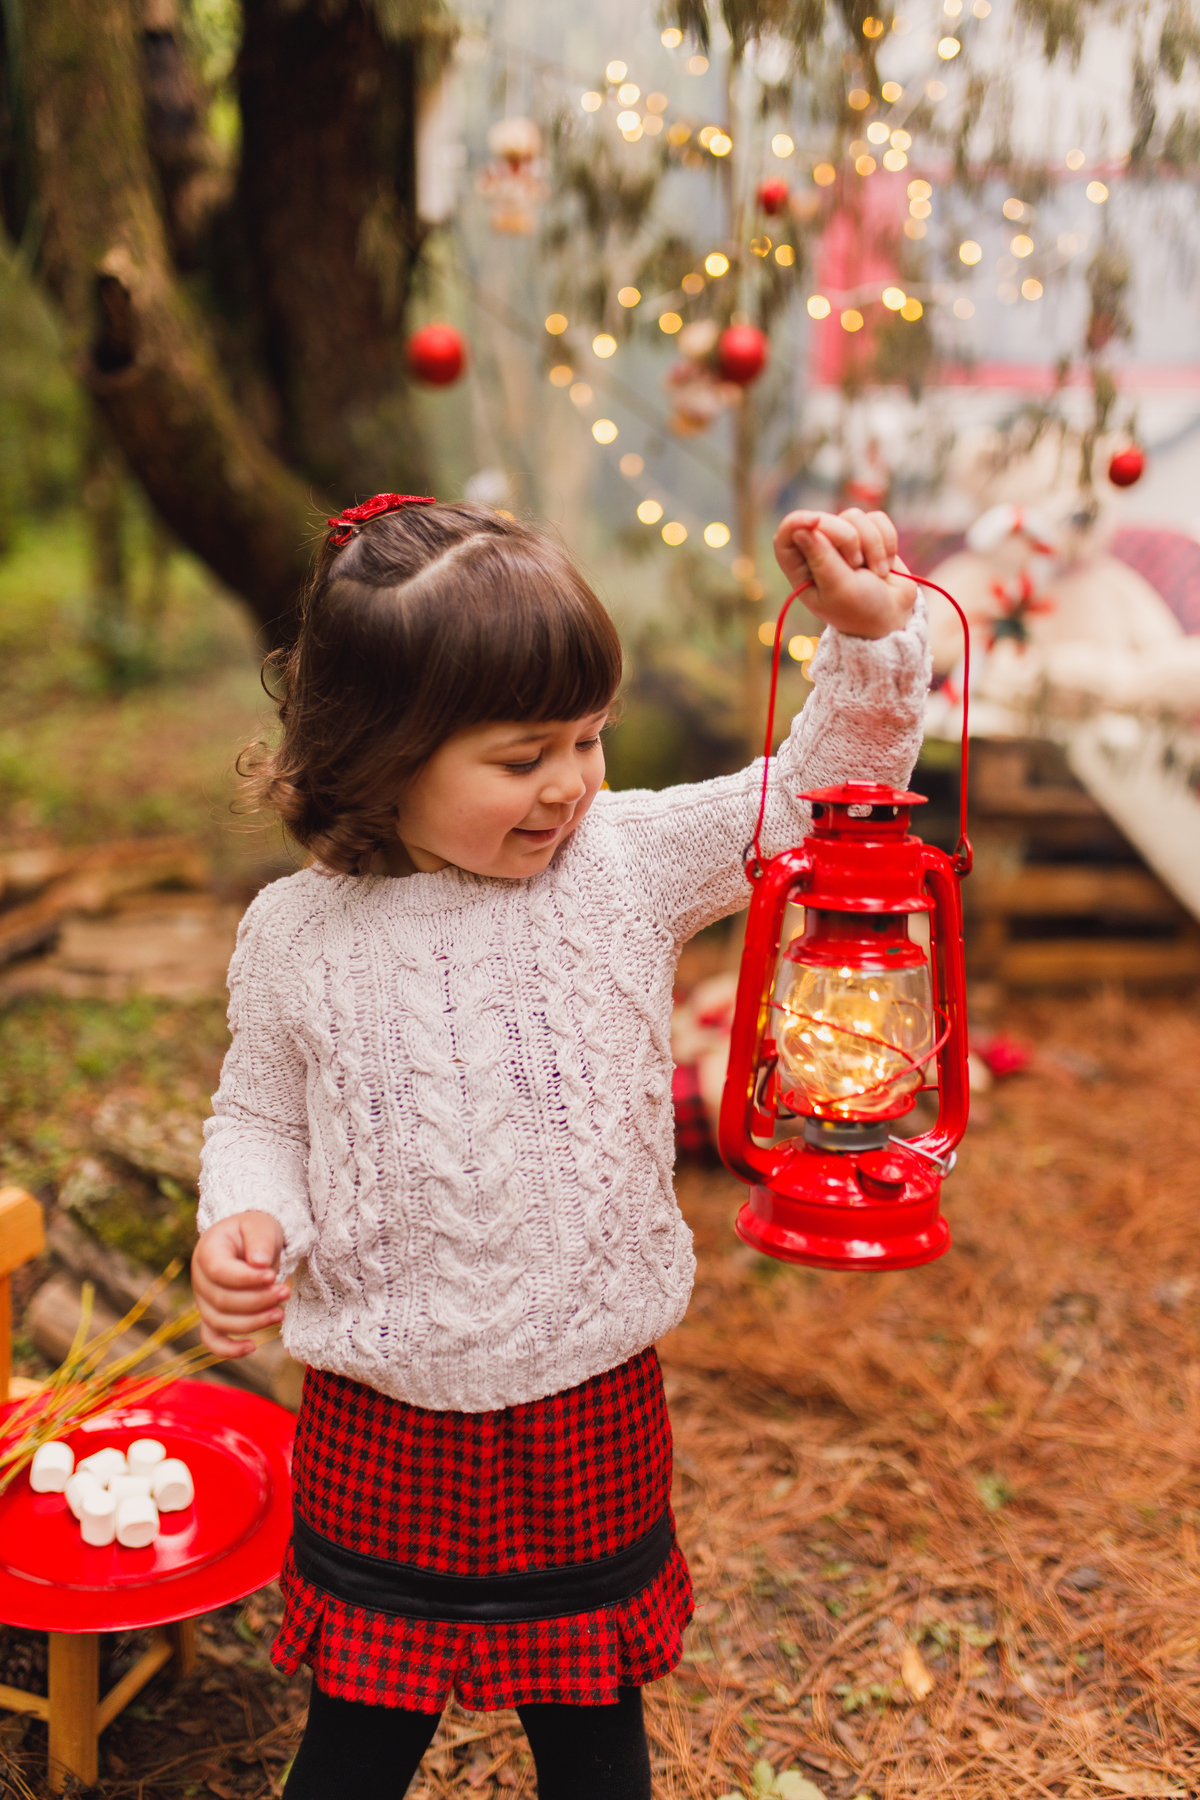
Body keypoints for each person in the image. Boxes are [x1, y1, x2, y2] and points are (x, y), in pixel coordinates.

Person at [192, 496, 927, 1799]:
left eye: (588, 738)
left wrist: (869, 644)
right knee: (356, 1746)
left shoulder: (622, 864)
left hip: (585, 1402)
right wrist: (244, 1219)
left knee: (594, 1747)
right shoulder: (299, 935)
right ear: (380, 756)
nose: (574, 783)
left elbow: (823, 792)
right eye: (524, 755)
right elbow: (260, 1116)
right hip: (383, 1412)